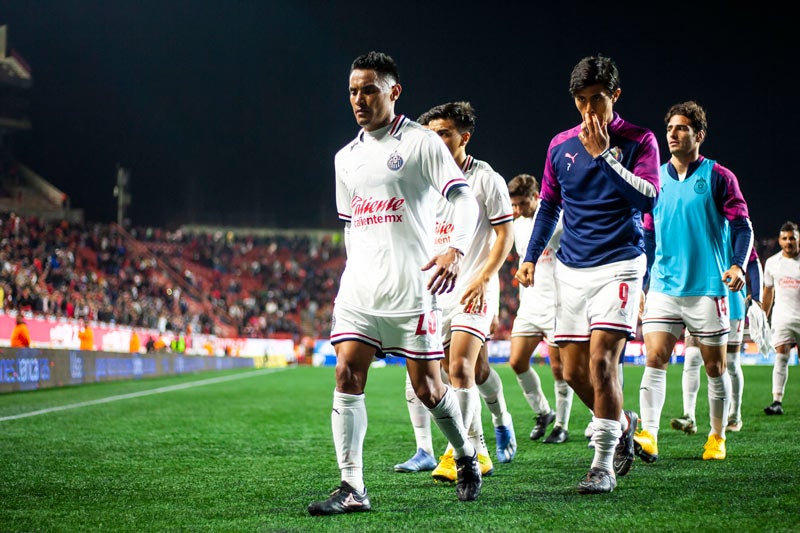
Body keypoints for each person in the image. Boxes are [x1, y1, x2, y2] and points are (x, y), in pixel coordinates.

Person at [307, 51, 482, 517]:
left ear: (393, 91)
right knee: (346, 372)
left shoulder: (424, 143)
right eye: (352, 91)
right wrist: (355, 273)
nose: (358, 99)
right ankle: (352, 486)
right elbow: (351, 224)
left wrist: (455, 248)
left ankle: (465, 455)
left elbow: (462, 200)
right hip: (360, 289)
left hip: (412, 288)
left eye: (368, 88)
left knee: (428, 387)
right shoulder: (345, 158)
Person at [515, 55, 658, 494]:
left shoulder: (640, 140)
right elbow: (549, 206)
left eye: (597, 98)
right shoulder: (559, 145)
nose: (589, 109)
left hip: (621, 261)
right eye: (581, 100)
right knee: (573, 371)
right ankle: (623, 422)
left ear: (615, 95)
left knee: (602, 361)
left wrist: (604, 158)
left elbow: (648, 200)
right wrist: (531, 255)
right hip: (572, 269)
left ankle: (602, 464)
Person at [395, 101, 514, 483]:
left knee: (460, 367)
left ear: (465, 137)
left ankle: (455, 454)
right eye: (430, 134)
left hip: (474, 289)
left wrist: (484, 278)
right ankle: (480, 446)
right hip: (437, 292)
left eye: (444, 133)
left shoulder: (486, 179)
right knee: (462, 372)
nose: (435, 140)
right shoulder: (424, 184)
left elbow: (505, 235)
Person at [635, 100, 753, 464]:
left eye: (682, 127)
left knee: (716, 367)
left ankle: (717, 436)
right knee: (654, 357)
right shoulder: (653, 179)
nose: (673, 133)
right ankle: (649, 435)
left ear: (699, 135)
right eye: (669, 128)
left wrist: (737, 265)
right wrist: (644, 282)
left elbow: (742, 226)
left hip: (707, 287)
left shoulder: (719, 177)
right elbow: (648, 236)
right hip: (664, 287)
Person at [506, 173, 574, 444]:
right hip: (529, 305)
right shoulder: (517, 224)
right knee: (517, 361)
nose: (518, 210)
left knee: (560, 369)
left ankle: (562, 425)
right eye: (515, 205)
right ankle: (543, 412)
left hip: (557, 304)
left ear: (537, 197)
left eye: (523, 203)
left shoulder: (558, 218)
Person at [671, 247, 763, 434]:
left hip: (732, 301)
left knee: (730, 363)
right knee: (691, 358)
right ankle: (689, 416)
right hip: (699, 298)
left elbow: (753, 262)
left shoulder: (736, 228)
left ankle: (734, 415)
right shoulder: (698, 223)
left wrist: (758, 298)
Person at [762, 220, 800, 415]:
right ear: (779, 240)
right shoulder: (772, 263)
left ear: (798, 239)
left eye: (792, 238)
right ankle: (777, 401)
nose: (788, 242)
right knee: (781, 356)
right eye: (784, 238)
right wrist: (763, 317)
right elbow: (768, 292)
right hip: (782, 317)